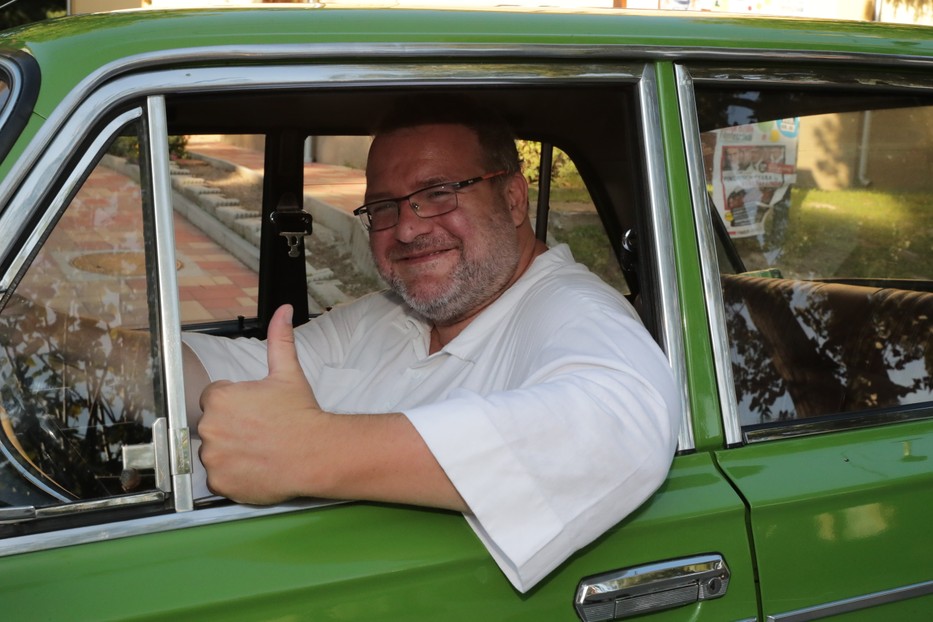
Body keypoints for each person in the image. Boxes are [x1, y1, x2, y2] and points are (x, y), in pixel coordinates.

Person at [181, 95, 680, 592]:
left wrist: (306, 450)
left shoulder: (572, 308)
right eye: (383, 206)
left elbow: (619, 424)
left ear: (512, 199)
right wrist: (130, 358)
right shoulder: (383, 315)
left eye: (439, 192)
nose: (407, 227)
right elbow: (242, 371)